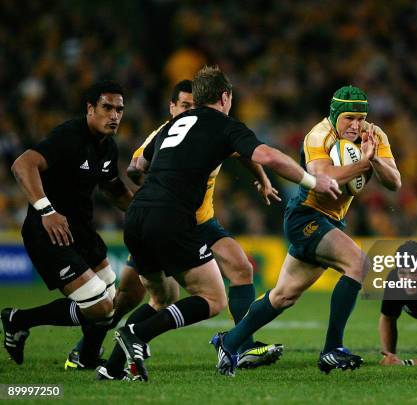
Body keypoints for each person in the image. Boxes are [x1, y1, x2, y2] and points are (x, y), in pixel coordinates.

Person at [99, 65, 340, 382]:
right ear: (225, 97)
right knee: (214, 299)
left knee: (162, 298)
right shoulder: (224, 125)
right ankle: (137, 336)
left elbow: (137, 166)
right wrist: (312, 180)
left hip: (138, 214)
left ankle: (113, 366)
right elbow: (267, 154)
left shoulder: (171, 125)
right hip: (172, 219)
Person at [88, 79, 283, 376]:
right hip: (169, 219)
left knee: (241, 268)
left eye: (195, 105)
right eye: (184, 106)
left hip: (198, 220)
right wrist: (163, 187)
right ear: (172, 107)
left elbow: (244, 152)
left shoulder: (213, 127)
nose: (191, 111)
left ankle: (240, 347)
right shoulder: (165, 132)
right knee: (143, 297)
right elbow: (135, 165)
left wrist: (264, 180)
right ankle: (91, 348)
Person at [211, 85, 402, 376]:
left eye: (361, 118)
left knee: (283, 296)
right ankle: (332, 349)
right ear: (335, 115)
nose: (356, 125)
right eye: (349, 118)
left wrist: (374, 159)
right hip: (305, 216)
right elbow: (322, 176)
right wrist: (363, 163)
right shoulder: (319, 135)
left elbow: (395, 182)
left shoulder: (373, 135)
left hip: (331, 220)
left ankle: (230, 341)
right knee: (358, 263)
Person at [2, 80, 133, 365]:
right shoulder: (69, 135)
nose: (114, 115)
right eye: (107, 107)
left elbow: (114, 190)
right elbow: (22, 165)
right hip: (48, 232)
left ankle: (86, 358)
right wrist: (46, 210)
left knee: (112, 300)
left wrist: (148, 211)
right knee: (100, 308)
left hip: (82, 232)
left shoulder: (108, 148)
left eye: (119, 110)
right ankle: (19, 319)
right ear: (90, 109)